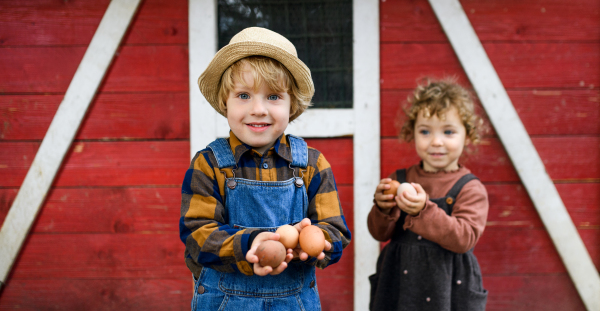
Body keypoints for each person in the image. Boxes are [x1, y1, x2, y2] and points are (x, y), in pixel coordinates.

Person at [180, 27, 351, 310]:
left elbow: (335, 229)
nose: (258, 109)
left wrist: (316, 241)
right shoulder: (209, 164)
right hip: (226, 301)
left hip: (293, 301)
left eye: (273, 97)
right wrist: (250, 244)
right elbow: (198, 234)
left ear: (291, 104)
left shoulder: (311, 164)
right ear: (225, 102)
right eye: (244, 95)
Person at [368, 78, 489, 310]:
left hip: (451, 289)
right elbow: (378, 233)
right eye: (425, 131)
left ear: (468, 135)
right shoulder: (399, 179)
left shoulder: (470, 189)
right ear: (412, 133)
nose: (436, 141)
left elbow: (464, 239)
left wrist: (423, 211)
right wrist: (382, 208)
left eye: (449, 131)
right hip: (400, 285)